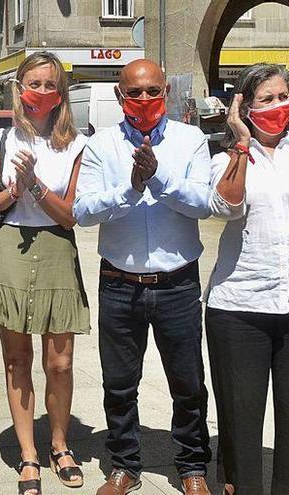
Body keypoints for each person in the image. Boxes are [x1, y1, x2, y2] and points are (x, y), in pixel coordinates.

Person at [73, 59, 212, 495]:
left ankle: (192, 466)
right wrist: (131, 188)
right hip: (119, 284)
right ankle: (124, 465)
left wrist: (160, 178)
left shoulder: (191, 140)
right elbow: (82, 211)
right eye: (135, 93)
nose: (145, 100)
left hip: (177, 284)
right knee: (118, 384)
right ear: (120, 96)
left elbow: (204, 204)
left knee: (188, 382)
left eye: (153, 91)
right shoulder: (101, 146)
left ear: (166, 92)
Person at [0, 51, 88, 495]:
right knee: (16, 360)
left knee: (59, 362)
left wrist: (37, 187)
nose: (41, 92)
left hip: (58, 249)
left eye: (49, 84)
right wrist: (12, 192)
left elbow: (69, 216)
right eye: (33, 83)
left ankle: (60, 444)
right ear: (19, 86)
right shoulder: (2, 140)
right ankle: (28, 453)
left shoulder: (76, 143)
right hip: (11, 251)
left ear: (60, 93)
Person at [206, 63, 289, 495]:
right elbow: (226, 205)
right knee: (242, 419)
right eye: (266, 99)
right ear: (245, 105)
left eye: (282, 96)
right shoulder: (226, 157)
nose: (277, 106)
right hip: (239, 307)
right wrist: (241, 142)